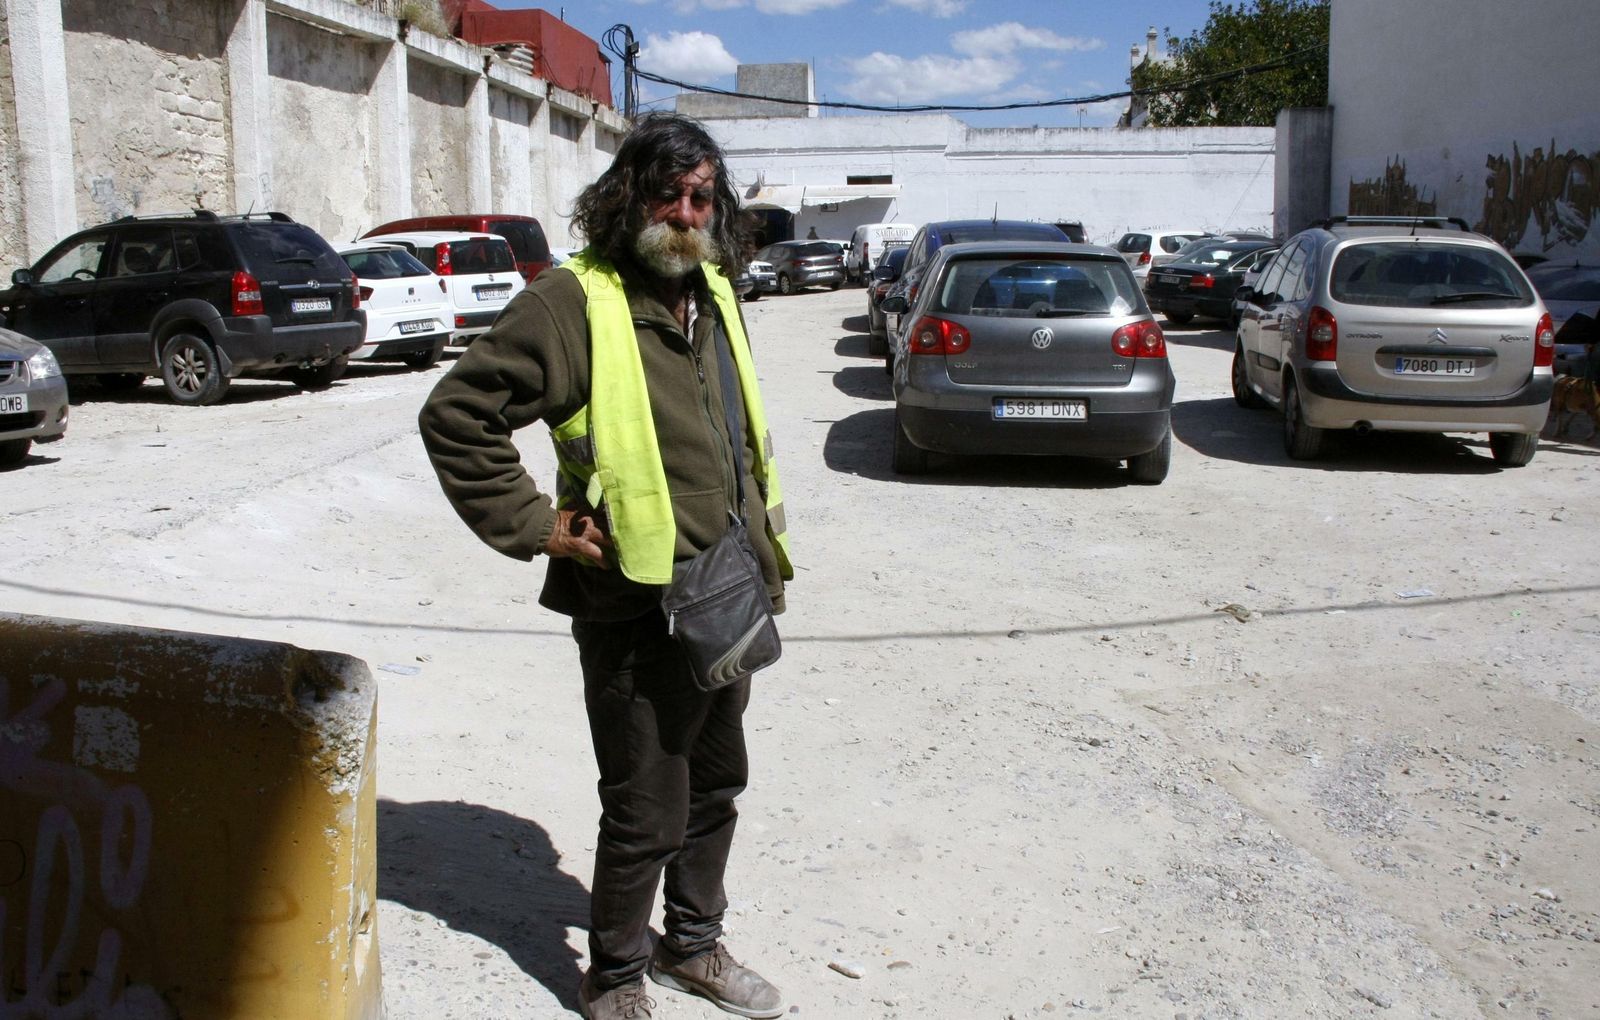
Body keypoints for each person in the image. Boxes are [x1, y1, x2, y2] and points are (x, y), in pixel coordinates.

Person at [417, 112, 793, 1020]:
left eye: (701, 196)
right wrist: (540, 525)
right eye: (667, 191)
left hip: (727, 590)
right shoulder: (571, 300)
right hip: (635, 606)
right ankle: (616, 975)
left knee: (716, 783)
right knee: (644, 807)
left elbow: (736, 437)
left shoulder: (712, 289)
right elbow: (457, 415)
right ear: (627, 197)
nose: (684, 210)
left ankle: (694, 948)